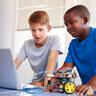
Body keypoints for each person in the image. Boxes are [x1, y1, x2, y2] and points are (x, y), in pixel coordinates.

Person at [15, 10, 61, 87]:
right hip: (35, 83)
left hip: (51, 82)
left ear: (49, 28)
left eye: (40, 30)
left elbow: (52, 59)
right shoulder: (26, 44)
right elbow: (16, 62)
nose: (37, 34)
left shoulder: (55, 39)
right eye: (33, 30)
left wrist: (46, 81)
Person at [59, 5, 96, 95]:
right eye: (66, 25)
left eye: (71, 23)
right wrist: (54, 78)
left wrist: (91, 85)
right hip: (88, 92)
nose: (68, 27)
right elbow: (66, 68)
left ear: (85, 20)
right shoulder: (73, 45)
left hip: (91, 87)